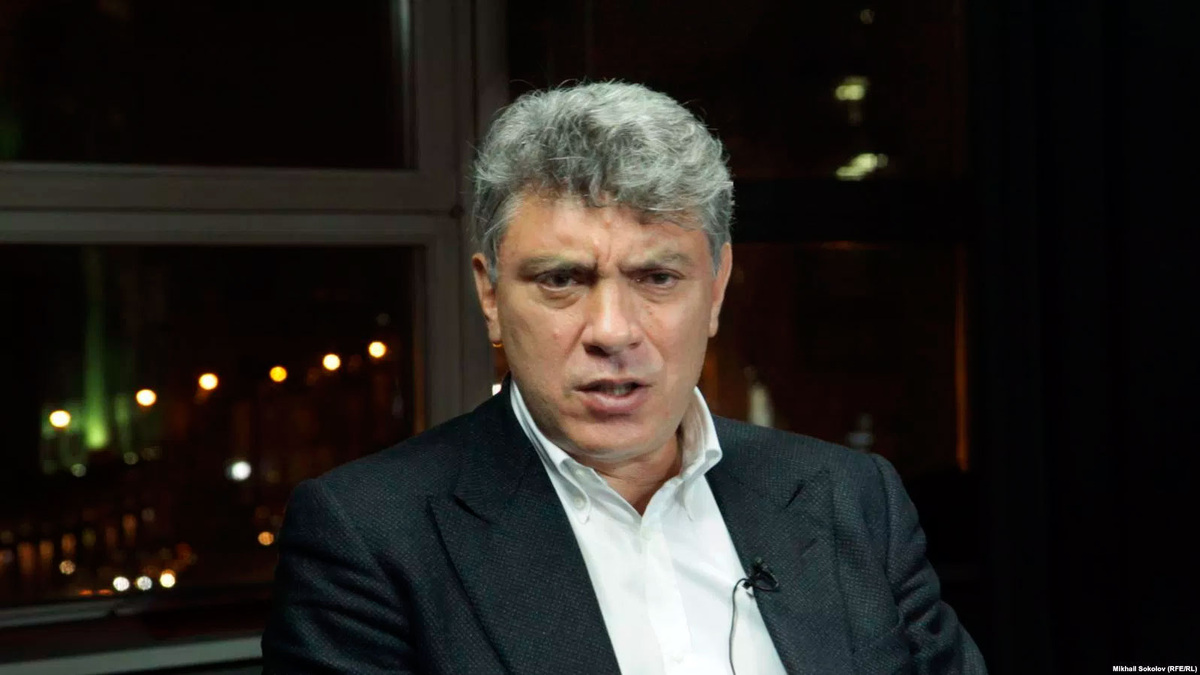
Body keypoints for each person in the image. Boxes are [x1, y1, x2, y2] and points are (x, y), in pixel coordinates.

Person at [262, 81, 987, 674]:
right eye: (562, 279)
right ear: (490, 296)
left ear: (717, 288)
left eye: (657, 277)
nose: (612, 330)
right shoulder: (368, 537)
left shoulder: (853, 499)